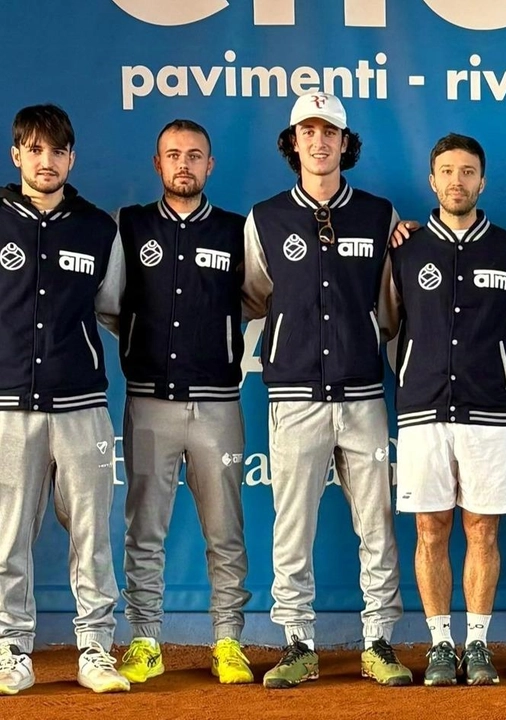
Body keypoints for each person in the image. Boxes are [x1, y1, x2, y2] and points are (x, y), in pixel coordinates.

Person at [242, 92, 410, 689]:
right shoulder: (264, 218)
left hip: (363, 393)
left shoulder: (379, 214)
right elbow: (257, 295)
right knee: (293, 524)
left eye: (329, 132)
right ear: (293, 142)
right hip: (293, 396)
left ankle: (379, 639)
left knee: (377, 522)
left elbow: (393, 305)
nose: (318, 141)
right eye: (307, 132)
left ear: (345, 142)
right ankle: (296, 641)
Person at [381, 133, 506, 687]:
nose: (457, 182)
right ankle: (441, 643)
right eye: (447, 171)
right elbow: (390, 323)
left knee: (483, 532)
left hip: (489, 410)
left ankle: (479, 643)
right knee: (429, 528)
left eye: (468, 172)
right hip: (422, 411)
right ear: (432, 180)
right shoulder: (406, 248)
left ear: (482, 181)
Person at [114, 119, 253, 686]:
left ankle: (228, 641)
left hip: (217, 403)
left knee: (226, 532)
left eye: (195, 156)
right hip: (149, 402)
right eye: (173, 155)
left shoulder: (235, 230)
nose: (184, 165)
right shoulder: (130, 226)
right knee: (144, 531)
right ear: (157, 163)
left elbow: (259, 296)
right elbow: (108, 302)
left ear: (210, 166)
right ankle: (145, 640)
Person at [0, 104, 129, 694]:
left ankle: (96, 648)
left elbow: (112, 308)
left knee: (91, 534)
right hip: (8, 407)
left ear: (71, 158)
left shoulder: (98, 227)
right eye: (34, 149)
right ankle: (12, 647)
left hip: (81, 405)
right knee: (8, 535)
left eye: (57, 151)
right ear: (16, 155)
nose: (45, 161)